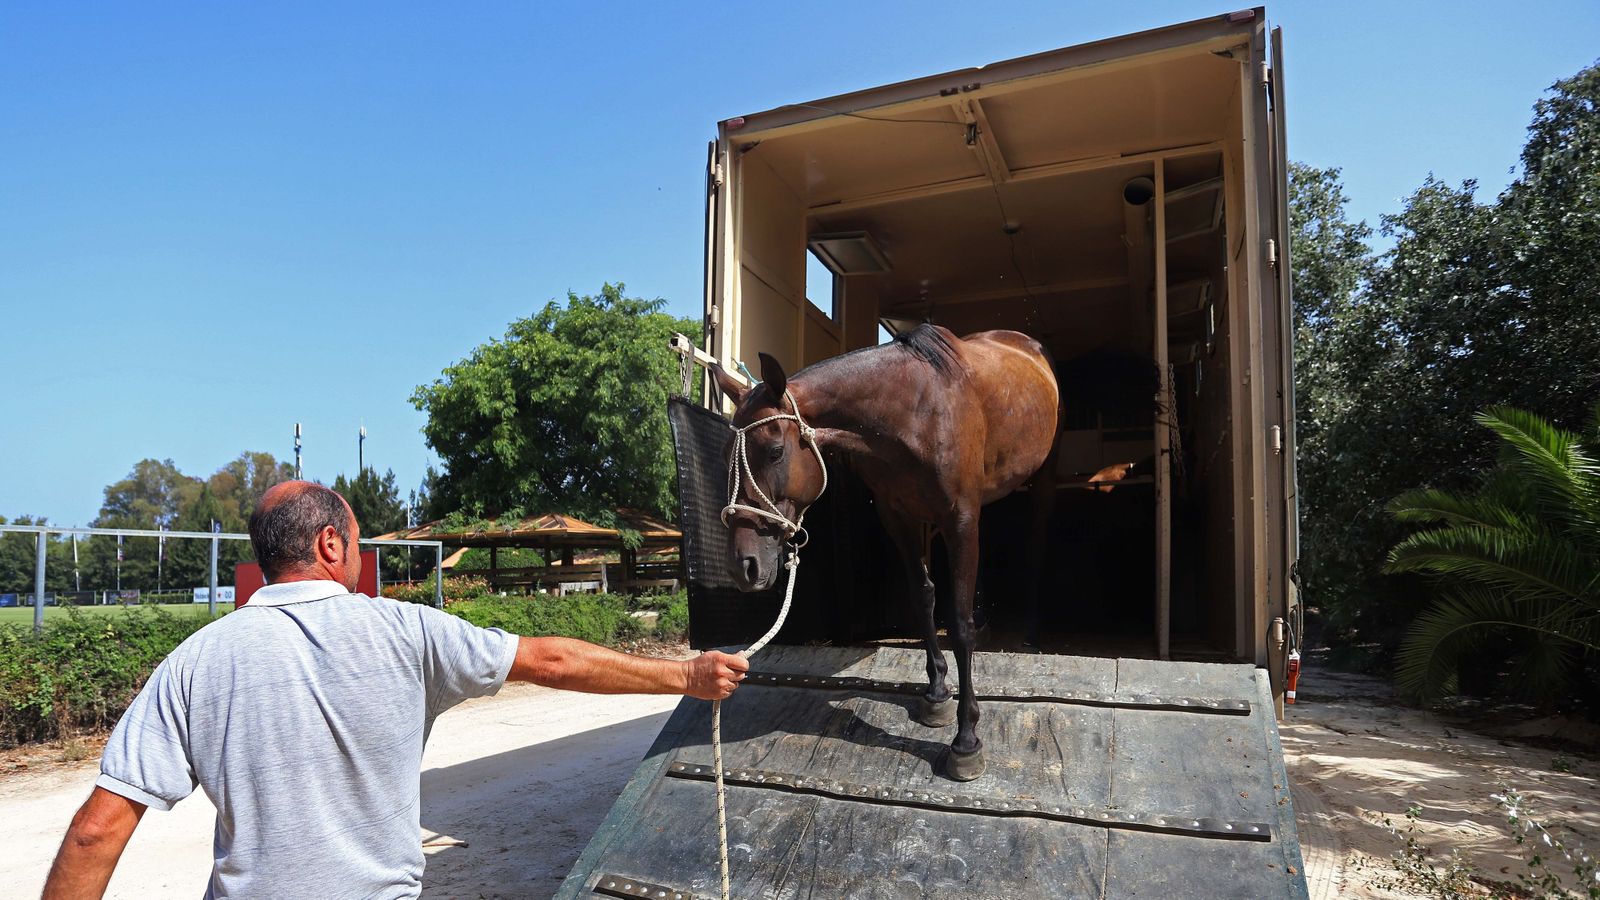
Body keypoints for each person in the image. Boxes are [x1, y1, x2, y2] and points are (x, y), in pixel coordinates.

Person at [43, 482, 747, 899]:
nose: (359, 556)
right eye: (355, 543)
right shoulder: (408, 633)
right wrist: (685, 676)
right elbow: (552, 662)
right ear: (328, 546)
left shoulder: (196, 661)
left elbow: (95, 830)